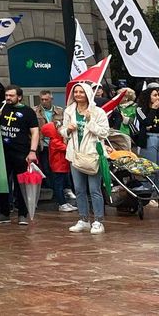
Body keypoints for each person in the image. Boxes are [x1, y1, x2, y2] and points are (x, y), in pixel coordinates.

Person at [64, 82, 109, 235]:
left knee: (94, 189)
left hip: (93, 155)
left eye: (81, 92)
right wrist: (67, 130)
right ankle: (83, 219)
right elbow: (63, 131)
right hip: (75, 155)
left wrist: (90, 121)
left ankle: (98, 221)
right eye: (75, 92)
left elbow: (104, 133)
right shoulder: (69, 111)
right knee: (79, 189)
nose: (77, 95)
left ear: (88, 94)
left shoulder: (98, 112)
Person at [0, 84, 40, 225]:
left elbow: (35, 132)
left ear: (19, 97)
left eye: (11, 96)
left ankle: (22, 214)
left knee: (21, 184)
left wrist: (32, 151)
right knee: (2, 183)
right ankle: (4, 213)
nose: (8, 98)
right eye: (7, 95)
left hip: (21, 152)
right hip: (3, 152)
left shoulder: (28, 112)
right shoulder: (1, 107)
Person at [39, 114, 78, 213]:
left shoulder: (58, 139)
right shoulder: (55, 141)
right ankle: (62, 203)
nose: (60, 128)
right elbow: (66, 148)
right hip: (58, 167)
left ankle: (64, 202)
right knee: (59, 186)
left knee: (63, 185)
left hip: (62, 167)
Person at [133, 84, 159, 164]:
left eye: (158, 95)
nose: (158, 97)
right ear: (148, 96)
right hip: (149, 138)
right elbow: (147, 122)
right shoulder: (140, 109)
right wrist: (153, 109)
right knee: (151, 165)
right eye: (155, 95)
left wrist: (152, 127)